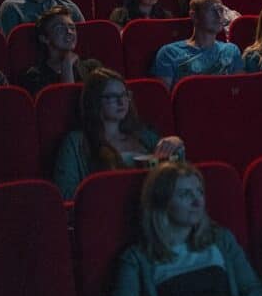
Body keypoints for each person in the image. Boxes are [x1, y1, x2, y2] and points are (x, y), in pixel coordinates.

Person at [108, 162, 262, 296]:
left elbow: (259, 293)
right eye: (185, 194)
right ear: (162, 202)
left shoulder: (221, 239)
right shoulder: (137, 258)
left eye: (200, 192)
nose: (197, 201)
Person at [52, 67, 184, 198]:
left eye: (124, 95)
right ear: (95, 101)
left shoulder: (143, 135)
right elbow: (66, 194)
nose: (121, 102)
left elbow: (176, 174)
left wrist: (176, 144)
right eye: (112, 97)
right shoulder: (76, 142)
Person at [151, 0, 242, 88]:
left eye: (221, 10)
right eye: (212, 10)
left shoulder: (231, 50)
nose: (219, 16)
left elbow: (240, 91)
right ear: (194, 16)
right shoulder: (169, 53)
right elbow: (164, 98)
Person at [19, 6, 100, 94]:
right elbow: (65, 104)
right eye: (60, 28)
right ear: (44, 38)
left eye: (72, 28)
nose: (69, 32)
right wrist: (67, 66)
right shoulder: (34, 76)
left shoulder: (91, 67)